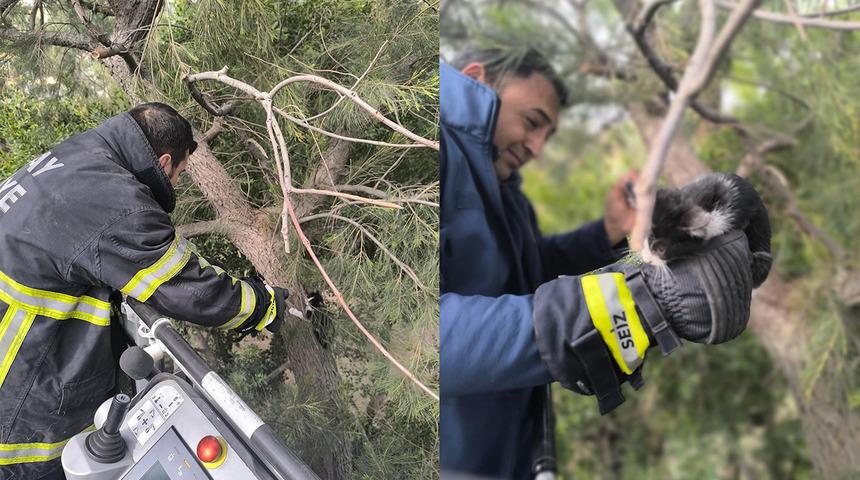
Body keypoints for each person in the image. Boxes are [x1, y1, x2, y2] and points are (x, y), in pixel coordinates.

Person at [440, 48, 761, 479]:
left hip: (507, 456)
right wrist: (632, 305)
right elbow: (428, 333)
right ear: (476, 79)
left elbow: (527, 277)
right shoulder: (432, 148)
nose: (537, 147)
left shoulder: (508, 196)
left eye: (548, 137)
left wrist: (608, 232)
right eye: (533, 123)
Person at [0, 103, 287, 480]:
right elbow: (188, 287)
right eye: (181, 173)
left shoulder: (77, 155)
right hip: (21, 405)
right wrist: (263, 304)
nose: (178, 184)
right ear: (165, 161)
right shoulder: (114, 199)